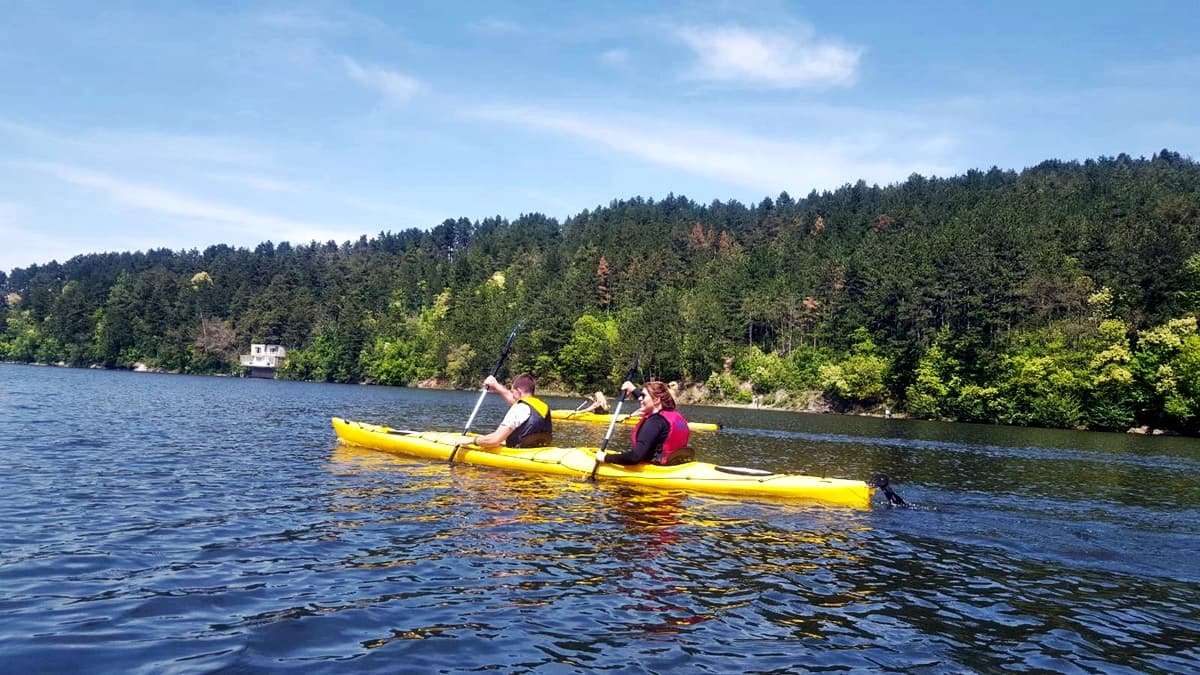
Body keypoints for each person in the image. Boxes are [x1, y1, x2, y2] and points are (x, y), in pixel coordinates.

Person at [594, 380, 693, 466]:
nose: (640, 398)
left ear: (657, 400)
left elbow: (635, 457)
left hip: (656, 468)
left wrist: (606, 457)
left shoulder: (654, 422)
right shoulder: (674, 416)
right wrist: (632, 389)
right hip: (674, 465)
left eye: (643, 396)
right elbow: (649, 400)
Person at [467, 373, 552, 448]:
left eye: (512, 392)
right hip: (538, 449)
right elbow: (518, 404)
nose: (512, 395)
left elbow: (494, 441)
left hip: (518, 452)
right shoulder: (543, 406)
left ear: (518, 391)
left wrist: (472, 440)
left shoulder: (518, 409)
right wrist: (496, 386)